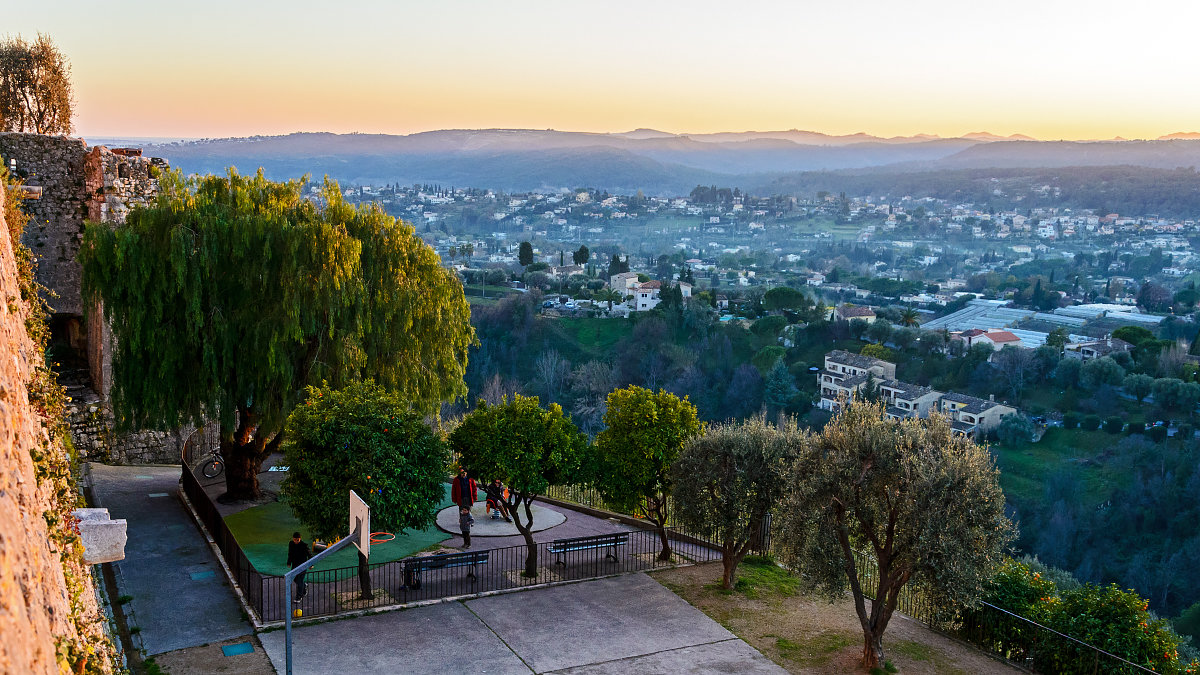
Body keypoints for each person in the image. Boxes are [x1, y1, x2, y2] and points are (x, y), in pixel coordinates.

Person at [287, 531, 311, 602]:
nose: (296, 541)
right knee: (295, 579)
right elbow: (290, 553)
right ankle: (304, 586)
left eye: (297, 540)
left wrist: (311, 564)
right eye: (294, 539)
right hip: (295, 564)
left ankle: (299, 597)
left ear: (300, 539)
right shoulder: (291, 544)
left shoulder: (304, 545)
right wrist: (289, 562)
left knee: (300, 580)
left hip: (303, 565)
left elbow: (309, 555)